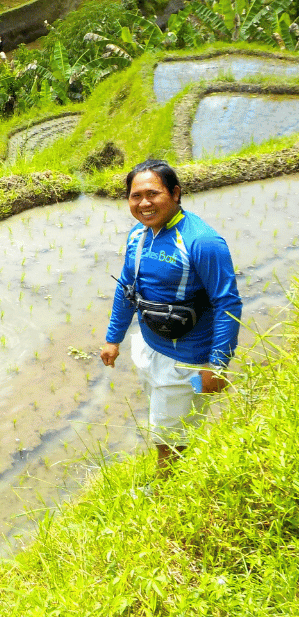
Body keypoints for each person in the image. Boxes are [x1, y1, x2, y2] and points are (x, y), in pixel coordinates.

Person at [100, 159, 242, 475]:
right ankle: (176, 470)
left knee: (170, 436)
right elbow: (127, 287)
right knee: (166, 421)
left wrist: (217, 364)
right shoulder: (138, 235)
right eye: (136, 196)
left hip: (186, 362)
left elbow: (227, 304)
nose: (144, 203)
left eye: (153, 193)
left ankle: (166, 489)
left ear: (175, 193)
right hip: (149, 348)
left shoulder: (201, 241)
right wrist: (113, 338)